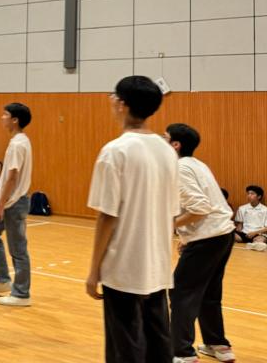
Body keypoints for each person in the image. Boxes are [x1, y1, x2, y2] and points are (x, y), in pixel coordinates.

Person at [86, 76, 178, 362]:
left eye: (113, 96)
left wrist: (93, 270)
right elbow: (172, 212)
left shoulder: (115, 151)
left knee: (124, 349)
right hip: (157, 266)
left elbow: (107, 216)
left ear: (122, 104)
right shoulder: (167, 151)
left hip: (123, 268)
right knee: (158, 346)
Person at [165, 123, 237, 363]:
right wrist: (187, 237)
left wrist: (170, 226)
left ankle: (182, 353)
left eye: (165, 138)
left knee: (180, 293)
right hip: (222, 235)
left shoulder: (179, 168)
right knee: (209, 293)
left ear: (176, 145)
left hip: (208, 238)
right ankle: (219, 345)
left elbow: (200, 207)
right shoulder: (198, 164)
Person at [0, 102, 33, 307]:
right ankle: (2, 281)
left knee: (18, 249)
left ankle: (22, 294)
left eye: (5, 115)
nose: (2, 118)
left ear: (15, 120)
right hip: (11, 202)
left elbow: (12, 178)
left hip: (13, 203)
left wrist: (0, 205)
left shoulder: (17, 145)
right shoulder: (21, 141)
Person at [233, 185, 267, 251]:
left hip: (258, 234)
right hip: (244, 234)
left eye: (252, 194)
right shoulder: (242, 208)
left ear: (259, 196)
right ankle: (253, 245)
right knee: (231, 235)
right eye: (248, 193)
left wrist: (254, 233)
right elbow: (240, 224)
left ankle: (254, 244)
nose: (249, 195)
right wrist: (238, 228)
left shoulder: (266, 210)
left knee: (261, 240)